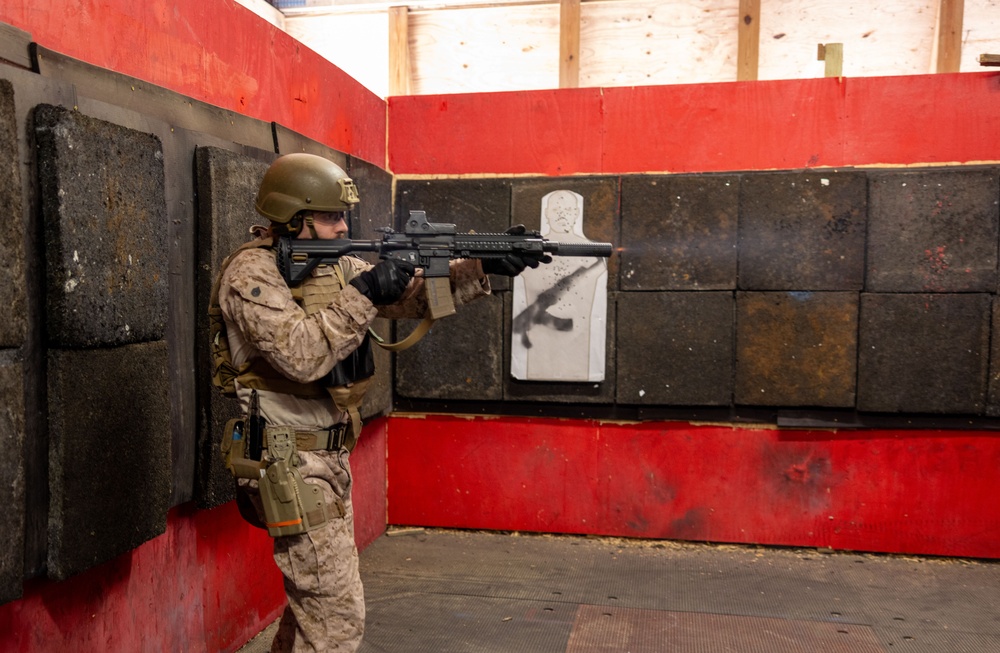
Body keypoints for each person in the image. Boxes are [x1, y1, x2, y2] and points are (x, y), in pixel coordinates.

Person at [212, 152, 546, 652]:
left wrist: (481, 265)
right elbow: (301, 355)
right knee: (335, 621)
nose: (344, 225)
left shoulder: (335, 262)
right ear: (296, 218)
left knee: (316, 614)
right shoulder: (252, 275)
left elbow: (406, 299)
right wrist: (366, 288)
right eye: (331, 217)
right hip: (288, 462)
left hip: (327, 461)